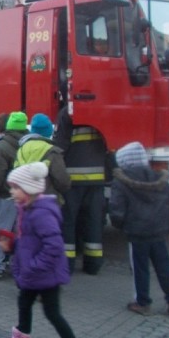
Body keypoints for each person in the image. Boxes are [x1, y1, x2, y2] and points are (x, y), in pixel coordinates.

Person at [0, 162, 88, 338]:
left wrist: (34, 266)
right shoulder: (27, 209)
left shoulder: (41, 213)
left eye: (15, 187)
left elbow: (54, 246)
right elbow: (29, 242)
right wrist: (13, 247)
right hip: (34, 273)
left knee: (52, 312)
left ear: (28, 189)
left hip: (45, 275)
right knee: (24, 303)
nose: (11, 191)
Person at [108, 141, 169, 317]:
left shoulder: (121, 182)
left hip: (137, 232)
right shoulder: (159, 178)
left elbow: (116, 210)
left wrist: (122, 226)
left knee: (139, 268)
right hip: (158, 232)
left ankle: (143, 302)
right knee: (164, 266)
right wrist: (165, 221)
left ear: (123, 162)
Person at [55, 106, 109, 275]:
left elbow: (61, 145)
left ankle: (67, 264)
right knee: (94, 221)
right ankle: (93, 264)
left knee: (68, 221)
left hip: (73, 179)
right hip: (98, 177)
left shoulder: (69, 111)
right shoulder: (104, 108)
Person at [0, 111, 28, 279]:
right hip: (25, 196)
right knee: (20, 231)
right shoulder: (28, 145)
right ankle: (18, 265)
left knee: (1, 230)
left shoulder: (1, 146)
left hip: (5, 195)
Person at [13, 113, 70, 199]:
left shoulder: (21, 149)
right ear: (49, 131)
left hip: (25, 201)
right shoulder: (52, 151)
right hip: (47, 201)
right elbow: (63, 181)